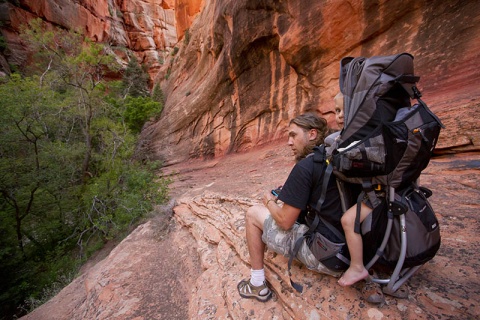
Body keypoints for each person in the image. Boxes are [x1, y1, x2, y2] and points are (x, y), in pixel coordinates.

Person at [237, 112, 343, 302]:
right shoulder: (337, 156)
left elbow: (286, 221)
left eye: (293, 135)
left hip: (329, 255)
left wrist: (268, 200)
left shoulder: (306, 167)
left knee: (253, 214)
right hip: (352, 249)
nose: (289, 142)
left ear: (312, 134)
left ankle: (257, 284)